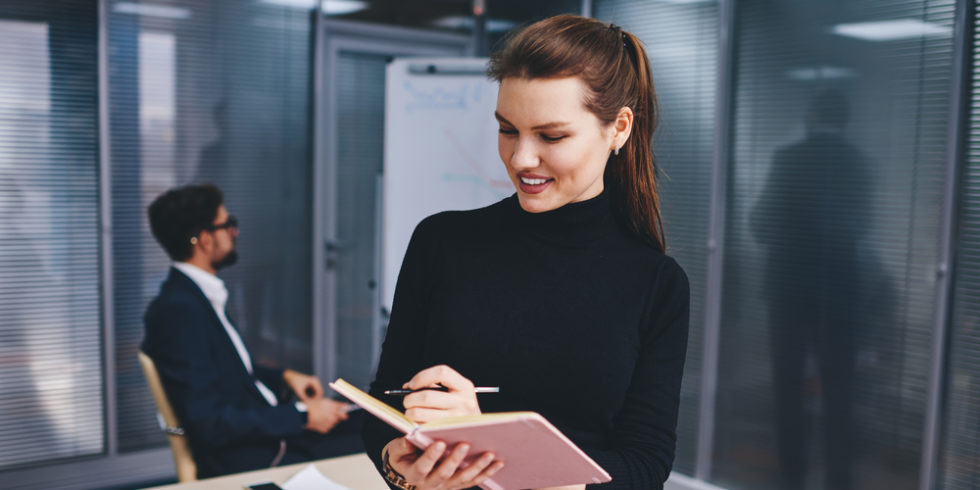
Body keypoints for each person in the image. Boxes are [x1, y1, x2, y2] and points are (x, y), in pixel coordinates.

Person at [362, 15, 690, 490]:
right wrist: (400, 466)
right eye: (507, 130)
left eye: (551, 136)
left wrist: (498, 449)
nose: (521, 159)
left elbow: (645, 464)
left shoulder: (657, 284)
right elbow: (385, 405)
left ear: (618, 128)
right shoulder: (441, 241)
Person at [142, 184, 361, 478]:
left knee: (366, 425)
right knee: (378, 445)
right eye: (228, 225)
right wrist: (303, 416)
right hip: (259, 454)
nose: (235, 232)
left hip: (270, 436)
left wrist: (285, 376)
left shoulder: (193, 297)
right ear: (205, 240)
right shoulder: (178, 312)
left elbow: (226, 371)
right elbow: (209, 422)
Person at [751, 90, 874, 490]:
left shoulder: (789, 159)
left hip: (790, 290)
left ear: (812, 115)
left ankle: (793, 477)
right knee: (840, 390)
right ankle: (840, 479)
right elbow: (863, 227)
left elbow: (761, 223)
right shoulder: (860, 164)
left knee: (788, 388)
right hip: (840, 292)